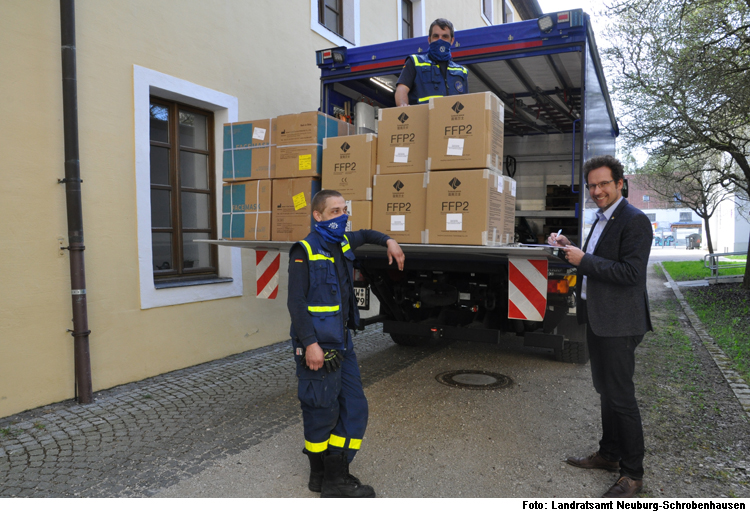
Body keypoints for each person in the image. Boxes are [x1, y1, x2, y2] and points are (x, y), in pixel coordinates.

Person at [287, 189, 405, 498]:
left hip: (343, 341)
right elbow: (296, 303)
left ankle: (333, 474)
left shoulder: (342, 242)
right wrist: (310, 344)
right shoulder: (304, 251)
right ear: (318, 216)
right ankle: (323, 478)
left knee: (354, 407)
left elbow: (365, 233)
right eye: (334, 212)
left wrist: (389, 241)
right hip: (318, 346)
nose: (342, 217)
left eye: (344, 210)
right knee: (321, 410)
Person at [547, 155, 653, 498]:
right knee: (606, 391)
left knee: (621, 397)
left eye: (604, 183)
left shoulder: (635, 221)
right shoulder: (602, 219)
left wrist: (585, 260)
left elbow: (631, 274)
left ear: (620, 183)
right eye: (592, 185)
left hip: (620, 322)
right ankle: (609, 454)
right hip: (599, 317)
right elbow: (595, 260)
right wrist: (568, 249)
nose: (597, 190)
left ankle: (633, 474)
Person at [394, 18, 469, 106]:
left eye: (445, 36)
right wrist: (404, 108)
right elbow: (401, 90)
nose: (440, 40)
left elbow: (466, 104)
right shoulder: (415, 62)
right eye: (436, 36)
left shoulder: (461, 72)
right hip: (422, 118)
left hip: (452, 119)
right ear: (429, 40)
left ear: (452, 41)